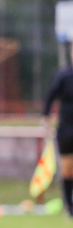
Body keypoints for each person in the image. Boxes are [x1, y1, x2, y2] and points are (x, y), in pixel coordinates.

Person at [41, 63, 73, 216]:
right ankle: (70, 207)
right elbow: (50, 96)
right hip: (67, 130)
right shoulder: (64, 76)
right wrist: (45, 118)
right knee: (67, 169)